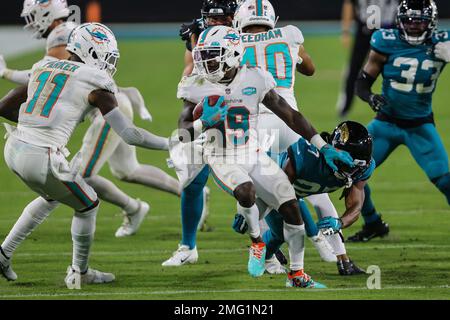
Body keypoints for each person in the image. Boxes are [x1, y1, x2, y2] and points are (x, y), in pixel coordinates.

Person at [179, 25, 355, 287]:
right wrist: (202, 124)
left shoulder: (255, 77)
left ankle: (297, 275)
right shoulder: (196, 84)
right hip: (221, 155)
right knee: (247, 191)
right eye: (202, 55)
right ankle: (257, 241)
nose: (205, 62)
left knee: (291, 207)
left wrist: (322, 145)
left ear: (232, 53)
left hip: (253, 152)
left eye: (212, 55)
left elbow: (290, 115)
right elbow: (183, 132)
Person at [0, 23, 169, 288]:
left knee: (52, 197)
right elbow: (130, 135)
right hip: (41, 157)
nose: (109, 63)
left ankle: (4, 253)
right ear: (92, 51)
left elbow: (6, 106)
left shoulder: (45, 66)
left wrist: (34, 125)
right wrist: (171, 143)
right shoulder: (95, 80)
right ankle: (81, 272)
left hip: (13, 148)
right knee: (88, 203)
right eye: (107, 55)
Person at [233, 0, 343, 272]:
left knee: (273, 195)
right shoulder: (289, 35)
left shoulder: (231, 40)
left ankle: (263, 248)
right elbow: (310, 68)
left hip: (256, 125)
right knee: (317, 191)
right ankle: (341, 256)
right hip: (292, 122)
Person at [349, 0, 450, 242]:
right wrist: (371, 97)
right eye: (410, 21)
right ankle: (373, 223)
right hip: (385, 124)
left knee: (446, 182)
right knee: (352, 174)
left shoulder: (442, 43)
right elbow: (361, 83)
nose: (414, 27)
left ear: (432, 23)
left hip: (420, 126)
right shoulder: (385, 41)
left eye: (420, 22)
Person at [162, 0, 239, 267]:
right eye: (211, 19)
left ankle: (273, 248)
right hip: (206, 101)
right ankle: (187, 246)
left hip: (243, 110)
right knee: (192, 180)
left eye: (223, 19)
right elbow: (189, 74)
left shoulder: (247, 32)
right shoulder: (198, 35)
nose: (216, 25)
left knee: (260, 183)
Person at [248, 121, 372, 275]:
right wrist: (253, 209)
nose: (352, 169)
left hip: (304, 186)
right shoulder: (309, 158)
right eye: (346, 161)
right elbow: (284, 193)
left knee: (323, 205)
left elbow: (356, 206)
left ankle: (343, 260)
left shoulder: (363, 168)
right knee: (283, 232)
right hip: (271, 184)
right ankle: (264, 253)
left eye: (356, 164)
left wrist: (340, 222)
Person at [337, 0, 398, 118]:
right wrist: (345, 30)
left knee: (396, 69)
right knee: (354, 69)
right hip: (366, 28)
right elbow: (349, 3)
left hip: (390, 29)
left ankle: (396, 105)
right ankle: (345, 106)